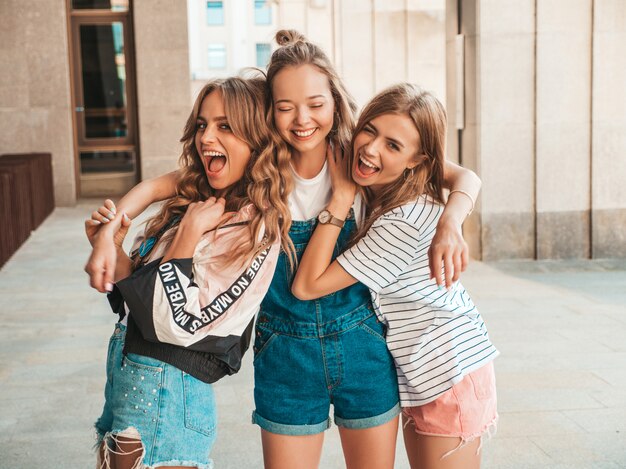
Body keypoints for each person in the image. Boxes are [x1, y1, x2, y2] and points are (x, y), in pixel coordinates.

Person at [85, 30, 482, 469]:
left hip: (364, 349)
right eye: (285, 106)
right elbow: (163, 184)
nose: (302, 120)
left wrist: (450, 221)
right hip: (284, 357)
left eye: (315, 104)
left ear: (334, 100)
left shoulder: (361, 156)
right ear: (268, 111)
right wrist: (109, 234)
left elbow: (463, 176)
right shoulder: (255, 168)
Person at [86, 75, 290, 469]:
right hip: (135, 379)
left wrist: (188, 235)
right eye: (202, 124)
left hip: (166, 395)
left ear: (256, 141)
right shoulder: (207, 200)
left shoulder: (254, 228)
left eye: (224, 126)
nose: (206, 136)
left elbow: (176, 322)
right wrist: (111, 246)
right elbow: (146, 295)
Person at [291, 83, 498, 469]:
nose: (370, 148)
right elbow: (466, 177)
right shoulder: (393, 185)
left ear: (417, 159)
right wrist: (451, 222)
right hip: (426, 372)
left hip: (447, 374)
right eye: (369, 130)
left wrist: (338, 200)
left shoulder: (402, 220)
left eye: (392, 145)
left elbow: (306, 286)